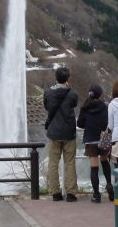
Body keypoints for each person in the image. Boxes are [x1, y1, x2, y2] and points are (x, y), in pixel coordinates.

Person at [44, 67, 78, 202]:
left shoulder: (48, 93)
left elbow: (47, 107)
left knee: (53, 163)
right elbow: (74, 105)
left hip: (53, 132)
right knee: (70, 162)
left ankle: (55, 193)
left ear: (55, 78)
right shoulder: (73, 94)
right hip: (69, 132)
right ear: (67, 79)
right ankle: (70, 193)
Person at [77, 84, 113, 203]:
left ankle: (96, 195)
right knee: (105, 162)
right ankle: (110, 188)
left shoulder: (85, 107)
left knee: (94, 168)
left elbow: (80, 124)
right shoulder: (105, 107)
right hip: (103, 139)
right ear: (100, 94)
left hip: (90, 140)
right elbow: (107, 123)